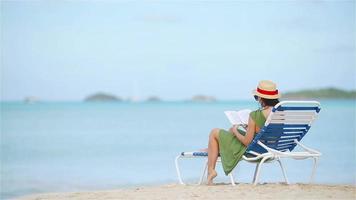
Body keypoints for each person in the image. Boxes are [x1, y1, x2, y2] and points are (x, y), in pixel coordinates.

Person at [206, 80, 281, 185]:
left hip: (255, 151)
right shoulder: (280, 114)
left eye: (256, 98)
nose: (257, 100)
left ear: (260, 98)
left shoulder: (255, 115)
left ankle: (211, 170)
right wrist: (250, 128)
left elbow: (247, 142)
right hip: (271, 149)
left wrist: (236, 130)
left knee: (214, 132)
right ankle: (213, 149)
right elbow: (267, 132)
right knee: (229, 133)